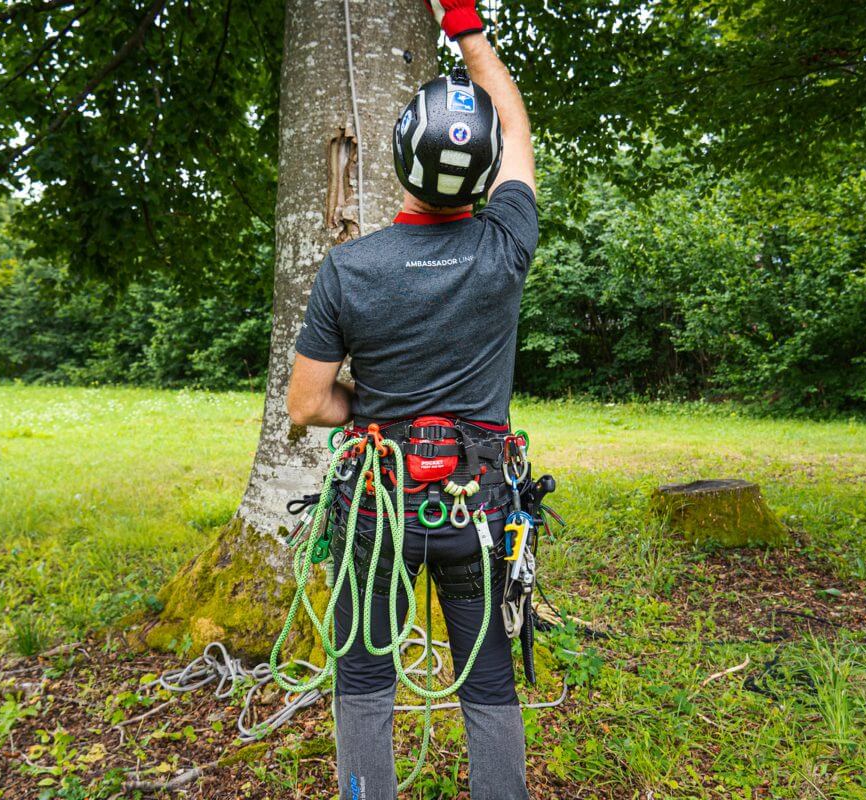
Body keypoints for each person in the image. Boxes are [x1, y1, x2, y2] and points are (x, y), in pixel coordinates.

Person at [286, 1, 536, 797]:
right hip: (478, 509)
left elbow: (306, 404)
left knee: (364, 681)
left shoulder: (350, 270)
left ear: (399, 161)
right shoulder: (505, 247)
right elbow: (515, 126)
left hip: (377, 509)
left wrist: (375, 410)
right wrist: (464, 23)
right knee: (488, 683)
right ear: (486, 171)